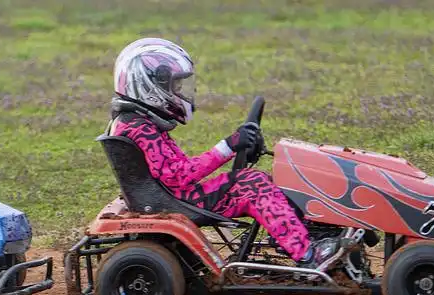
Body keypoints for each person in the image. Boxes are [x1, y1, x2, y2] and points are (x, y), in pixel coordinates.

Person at [107, 37, 338, 269]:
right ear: (148, 85)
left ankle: (303, 234)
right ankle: (309, 255)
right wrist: (229, 146)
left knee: (259, 180)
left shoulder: (137, 122)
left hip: (172, 195)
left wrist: (238, 145)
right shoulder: (139, 129)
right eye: (174, 86)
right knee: (253, 185)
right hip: (175, 201)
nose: (179, 91)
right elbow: (178, 176)